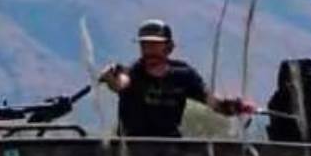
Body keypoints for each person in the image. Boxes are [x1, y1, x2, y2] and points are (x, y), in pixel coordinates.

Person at [98, 19, 256, 137]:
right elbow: (120, 84)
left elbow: (215, 103)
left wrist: (237, 106)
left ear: (169, 47)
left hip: (170, 151)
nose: (149, 50)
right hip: (133, 150)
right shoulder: (132, 73)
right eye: (145, 45)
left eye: (155, 45)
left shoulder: (183, 76)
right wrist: (110, 78)